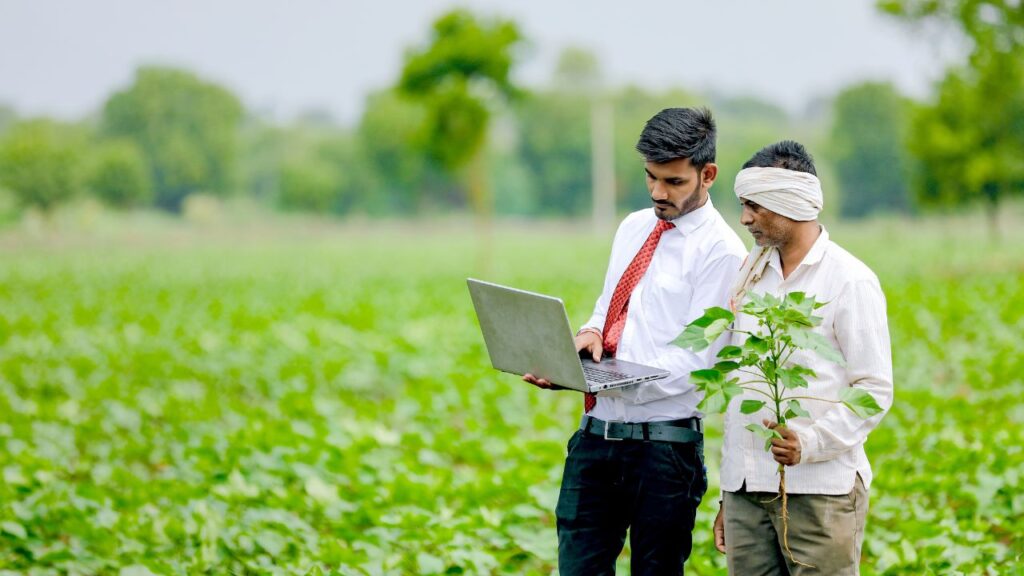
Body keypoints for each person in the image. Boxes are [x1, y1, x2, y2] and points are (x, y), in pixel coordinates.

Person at [524, 107, 745, 575]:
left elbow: (695, 361)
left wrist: (602, 379)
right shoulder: (633, 227)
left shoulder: (722, 251)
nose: (657, 192)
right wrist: (586, 339)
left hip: (663, 452)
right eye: (650, 177)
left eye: (673, 182)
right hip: (595, 439)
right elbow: (610, 307)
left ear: (708, 175)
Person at [714, 141, 894, 575]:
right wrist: (728, 495)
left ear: (790, 202)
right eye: (742, 205)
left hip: (821, 493)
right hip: (746, 491)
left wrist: (810, 443)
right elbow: (740, 385)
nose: (744, 219)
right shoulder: (750, 275)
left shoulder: (849, 281)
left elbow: (874, 390)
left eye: (754, 206)